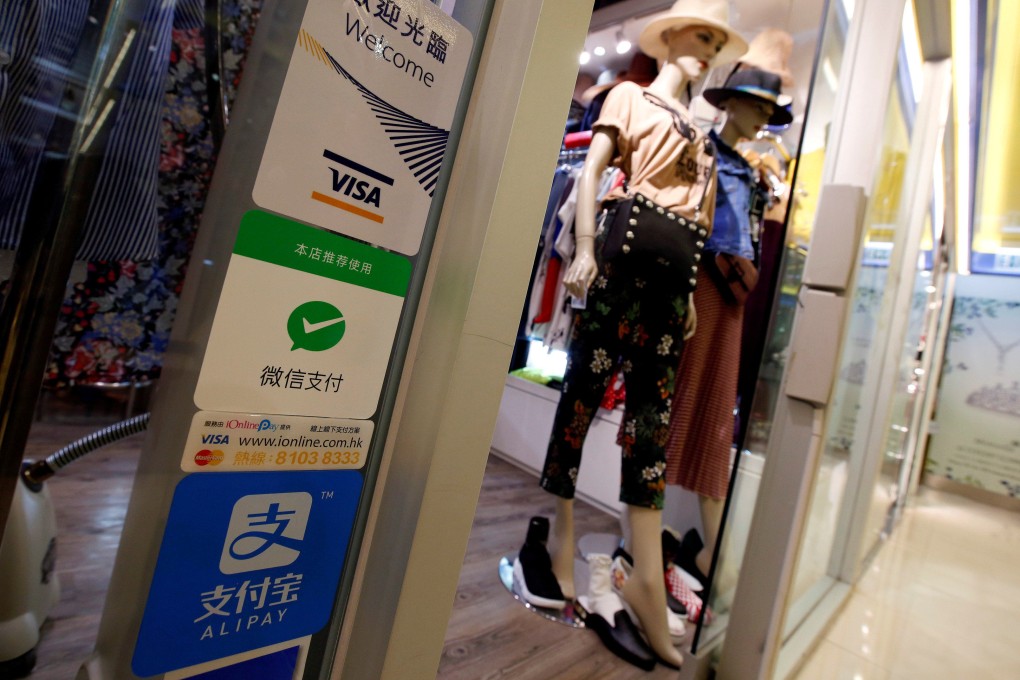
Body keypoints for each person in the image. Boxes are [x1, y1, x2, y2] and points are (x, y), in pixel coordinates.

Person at [515, 0, 747, 668]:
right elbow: (592, 171)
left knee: (651, 427)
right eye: (700, 35)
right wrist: (583, 246)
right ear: (670, 35)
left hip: (673, 289)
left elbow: (699, 225)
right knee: (581, 397)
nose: (706, 50)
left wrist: (691, 298)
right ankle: (559, 536)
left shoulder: (703, 136)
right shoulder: (628, 98)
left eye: (715, 42)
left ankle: (645, 574)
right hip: (620, 261)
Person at [664, 68, 792, 583]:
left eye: (769, 110)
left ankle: (714, 557)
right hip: (699, 287)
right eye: (758, 106)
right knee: (674, 406)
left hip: (732, 298)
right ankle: (655, 550)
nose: (765, 117)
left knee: (717, 413)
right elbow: (682, 220)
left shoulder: (753, 171)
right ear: (731, 103)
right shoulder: (703, 152)